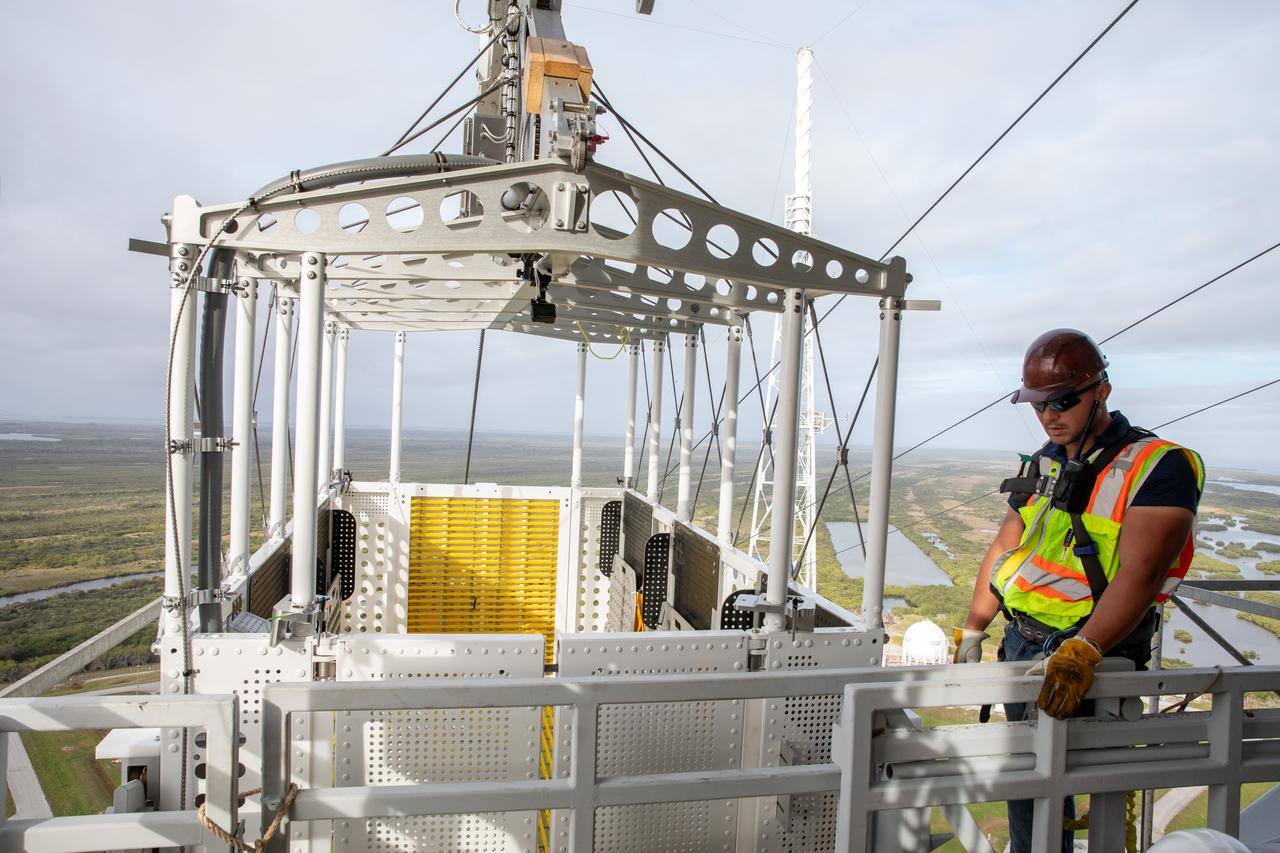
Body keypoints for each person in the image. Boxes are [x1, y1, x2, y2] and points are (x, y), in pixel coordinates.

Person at [953, 328, 1204, 853]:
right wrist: (974, 627)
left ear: (1102, 391)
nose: (1049, 414)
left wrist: (1084, 650)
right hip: (1022, 644)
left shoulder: (1159, 466)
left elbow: (1142, 574)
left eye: (1063, 401)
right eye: (1039, 404)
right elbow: (1006, 545)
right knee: (1028, 789)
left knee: (1098, 790)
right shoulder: (1044, 460)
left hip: (1095, 653)